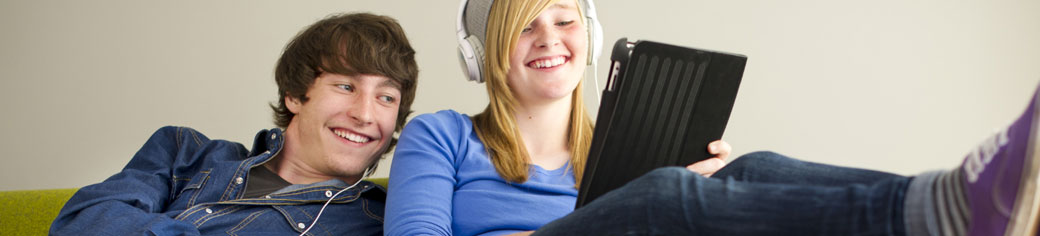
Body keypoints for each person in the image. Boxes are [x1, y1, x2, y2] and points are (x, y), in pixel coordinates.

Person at [384, 0, 1040, 235]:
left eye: (563, 19)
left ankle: (957, 196)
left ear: (590, 35)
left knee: (749, 168)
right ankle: (946, 212)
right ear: (485, 55)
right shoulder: (440, 136)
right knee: (665, 195)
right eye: (524, 26)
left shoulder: (618, 148)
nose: (550, 38)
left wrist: (716, 189)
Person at [50, 12, 418, 235]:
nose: (365, 114)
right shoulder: (184, 152)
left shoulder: (380, 221)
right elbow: (83, 221)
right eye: (345, 86)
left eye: (386, 98)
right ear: (294, 95)